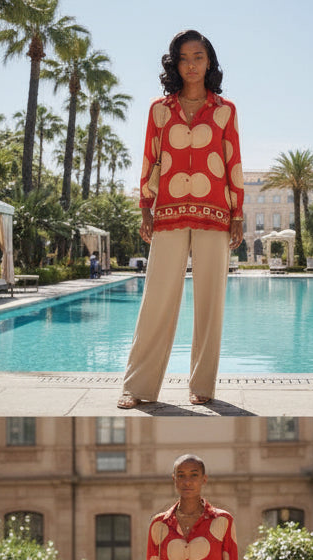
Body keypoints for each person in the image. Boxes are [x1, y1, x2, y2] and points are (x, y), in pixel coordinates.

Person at [118, 29, 245, 409]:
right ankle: (138, 387)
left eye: (199, 57)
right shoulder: (160, 110)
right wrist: (145, 205)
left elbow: (233, 162)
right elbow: (150, 158)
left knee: (211, 303)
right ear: (175, 64)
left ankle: (202, 386)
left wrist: (238, 214)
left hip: (216, 213)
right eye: (185, 58)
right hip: (169, 213)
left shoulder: (225, 110)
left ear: (210, 62)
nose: (192, 64)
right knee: (157, 299)